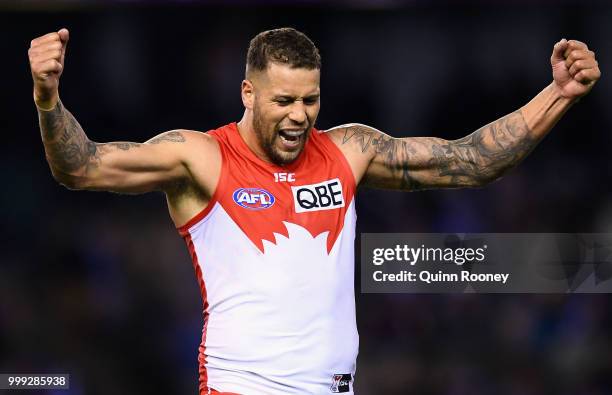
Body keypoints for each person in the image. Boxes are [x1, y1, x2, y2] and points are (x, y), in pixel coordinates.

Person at [29, 27, 600, 394]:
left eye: (310, 99)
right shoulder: (199, 157)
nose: (299, 115)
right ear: (248, 94)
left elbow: (471, 161)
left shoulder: (349, 150)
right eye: (283, 101)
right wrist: (49, 98)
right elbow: (81, 167)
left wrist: (559, 93)